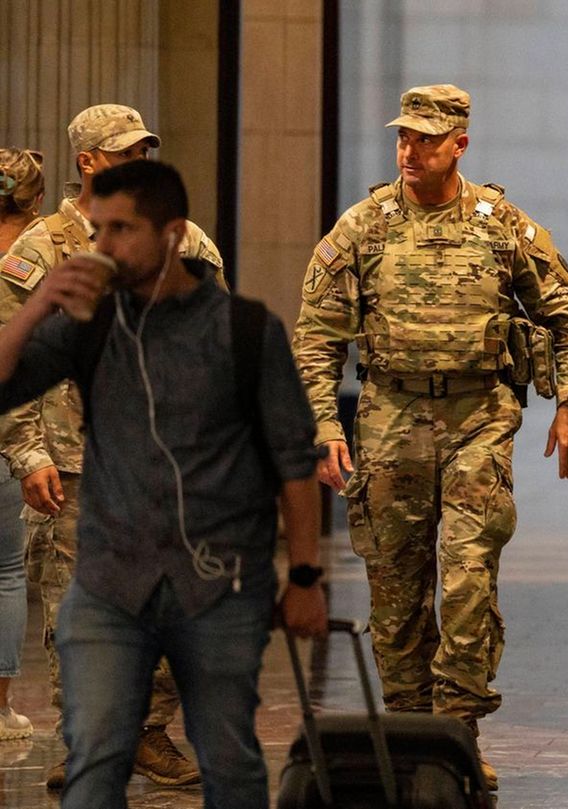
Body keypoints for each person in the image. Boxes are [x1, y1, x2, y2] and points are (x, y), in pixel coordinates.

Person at [291, 84, 568, 792]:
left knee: (465, 580)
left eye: (426, 138)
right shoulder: (364, 226)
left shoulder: (501, 224)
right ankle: (405, 731)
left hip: (477, 421)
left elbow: (567, 320)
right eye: (403, 136)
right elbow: (314, 336)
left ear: (460, 143)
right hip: (390, 418)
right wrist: (324, 426)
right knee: (395, 590)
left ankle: (455, 732)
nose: (410, 150)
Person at [0, 159, 327, 808]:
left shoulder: (245, 329)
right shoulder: (90, 323)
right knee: (93, 761)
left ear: (173, 233)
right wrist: (39, 305)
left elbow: (294, 462)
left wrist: (306, 578)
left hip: (218, 584)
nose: (104, 246)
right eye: (97, 230)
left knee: (228, 759)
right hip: (109, 582)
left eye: (121, 229)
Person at [0, 104, 225, 789]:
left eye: (144, 149)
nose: (140, 160)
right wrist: (28, 451)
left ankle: (149, 734)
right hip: (71, 462)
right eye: (124, 151)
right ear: (88, 162)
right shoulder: (42, 247)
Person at [0, 146, 46, 742]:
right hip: (16, 423)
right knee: (6, 571)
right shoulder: (38, 257)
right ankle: (0, 709)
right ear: (36, 200)